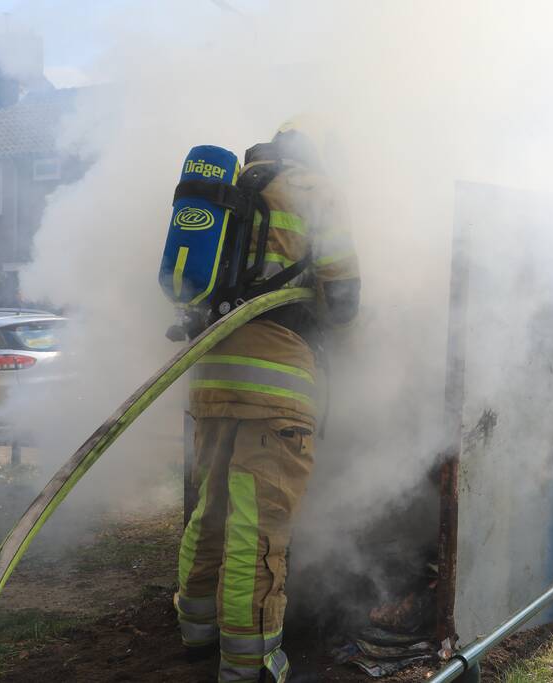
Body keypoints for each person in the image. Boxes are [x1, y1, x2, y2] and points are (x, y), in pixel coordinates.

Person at [174, 119, 360, 683]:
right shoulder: (314, 190)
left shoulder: (236, 191)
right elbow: (345, 294)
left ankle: (195, 633)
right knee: (257, 532)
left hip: (210, 381)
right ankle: (246, 663)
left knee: (211, 512)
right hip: (274, 389)